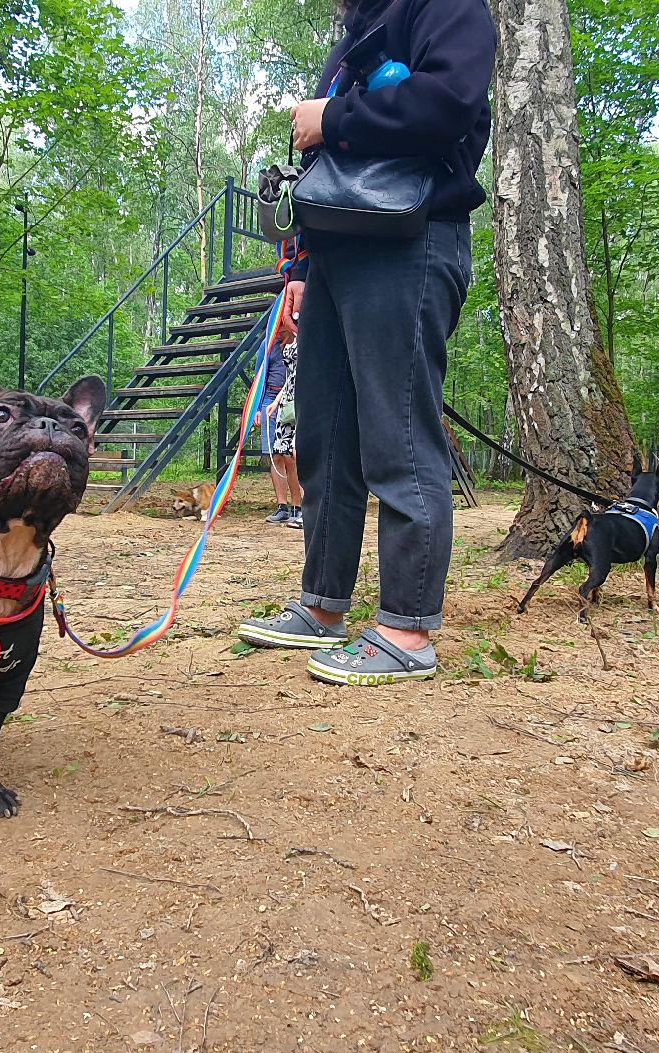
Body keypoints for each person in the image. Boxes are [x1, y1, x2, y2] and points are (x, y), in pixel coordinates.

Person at [235, 0, 494, 685]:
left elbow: (448, 104)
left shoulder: (447, 8)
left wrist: (333, 117)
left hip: (410, 244)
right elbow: (336, 179)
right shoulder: (359, 25)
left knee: (398, 439)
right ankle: (323, 606)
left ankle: (406, 630)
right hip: (336, 258)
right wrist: (300, 268)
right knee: (323, 436)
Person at [263, 341, 303, 528]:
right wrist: (276, 401)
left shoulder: (312, 332)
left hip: (304, 399)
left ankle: (302, 506)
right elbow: (290, 376)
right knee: (282, 453)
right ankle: (288, 508)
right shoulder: (281, 341)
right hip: (286, 401)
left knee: (296, 455)